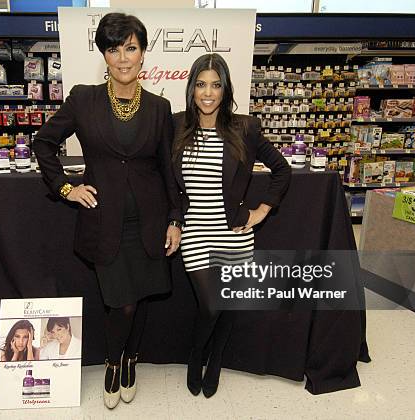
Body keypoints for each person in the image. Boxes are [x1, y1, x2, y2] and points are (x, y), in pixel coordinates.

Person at [32, 13, 182, 409]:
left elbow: (167, 169)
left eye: (130, 48)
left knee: (144, 295)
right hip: (105, 223)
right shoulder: (84, 99)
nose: (122, 58)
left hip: (149, 221)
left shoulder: (159, 107)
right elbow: (44, 144)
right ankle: (114, 361)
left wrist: (174, 220)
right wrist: (67, 187)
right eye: (113, 49)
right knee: (123, 301)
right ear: (104, 55)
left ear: (143, 52)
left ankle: (131, 359)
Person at [172, 53, 291, 398]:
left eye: (216, 85)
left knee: (227, 304)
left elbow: (281, 170)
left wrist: (262, 210)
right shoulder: (176, 125)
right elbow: (166, 180)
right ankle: (197, 356)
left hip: (234, 232)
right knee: (211, 304)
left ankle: (217, 359)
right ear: (192, 88)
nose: (208, 93)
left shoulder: (245, 128)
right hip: (194, 231)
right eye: (201, 84)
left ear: (225, 90)